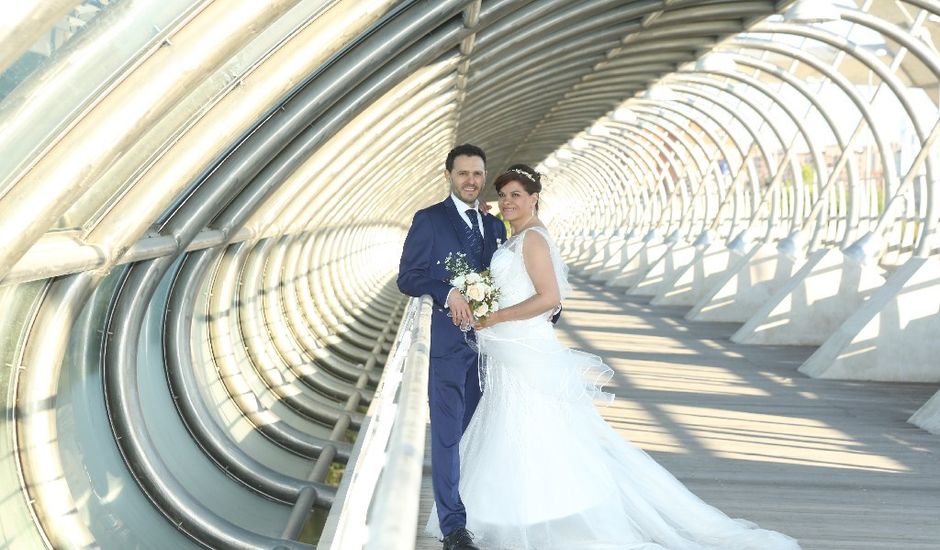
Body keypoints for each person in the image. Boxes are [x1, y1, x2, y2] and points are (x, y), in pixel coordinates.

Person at [425, 164, 801, 550]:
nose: (507, 202)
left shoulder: (533, 239)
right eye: (502, 195)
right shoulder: (514, 237)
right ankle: (515, 513)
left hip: (526, 349)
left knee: (534, 430)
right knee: (515, 429)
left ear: (534, 198)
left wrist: (494, 316)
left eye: (516, 195)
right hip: (510, 351)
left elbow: (550, 298)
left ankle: (540, 516)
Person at [397, 144, 507, 550]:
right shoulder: (428, 220)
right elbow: (408, 277)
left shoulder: (494, 227)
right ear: (448, 175)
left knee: (477, 433)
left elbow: (505, 281)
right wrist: (446, 293)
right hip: (444, 346)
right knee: (445, 437)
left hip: (488, 351)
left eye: (477, 174)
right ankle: (453, 529)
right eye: (463, 173)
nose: (471, 181)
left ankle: (476, 508)